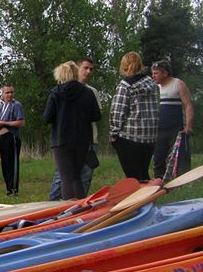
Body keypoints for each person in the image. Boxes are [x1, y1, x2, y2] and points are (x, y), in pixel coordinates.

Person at [43, 61, 101, 200]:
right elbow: (96, 116)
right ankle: (80, 206)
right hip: (82, 139)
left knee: (65, 178)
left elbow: (47, 118)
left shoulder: (55, 93)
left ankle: (68, 208)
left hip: (61, 140)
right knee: (76, 176)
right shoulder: (87, 92)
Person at [110, 51, 160, 182]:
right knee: (143, 173)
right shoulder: (152, 84)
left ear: (124, 66)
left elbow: (117, 113)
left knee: (133, 178)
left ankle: (141, 201)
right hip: (150, 137)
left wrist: (114, 135)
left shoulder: (125, 86)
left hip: (130, 137)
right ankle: (149, 199)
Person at [151, 59, 194, 179]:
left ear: (165, 73)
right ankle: (159, 183)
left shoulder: (178, 84)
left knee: (177, 158)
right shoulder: (154, 87)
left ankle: (180, 183)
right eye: (153, 73)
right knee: (158, 158)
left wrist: (188, 126)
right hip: (158, 129)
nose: (153, 76)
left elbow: (188, 105)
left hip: (176, 129)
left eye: (156, 73)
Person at [0, 84, 25, 195]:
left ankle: (14, 189)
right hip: (3, 137)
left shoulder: (16, 105)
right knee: (5, 163)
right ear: (2, 94)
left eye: (11, 92)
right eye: (7, 92)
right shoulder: (1, 106)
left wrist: (4, 123)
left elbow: (21, 122)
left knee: (12, 163)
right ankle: (8, 188)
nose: (9, 95)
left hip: (12, 136)